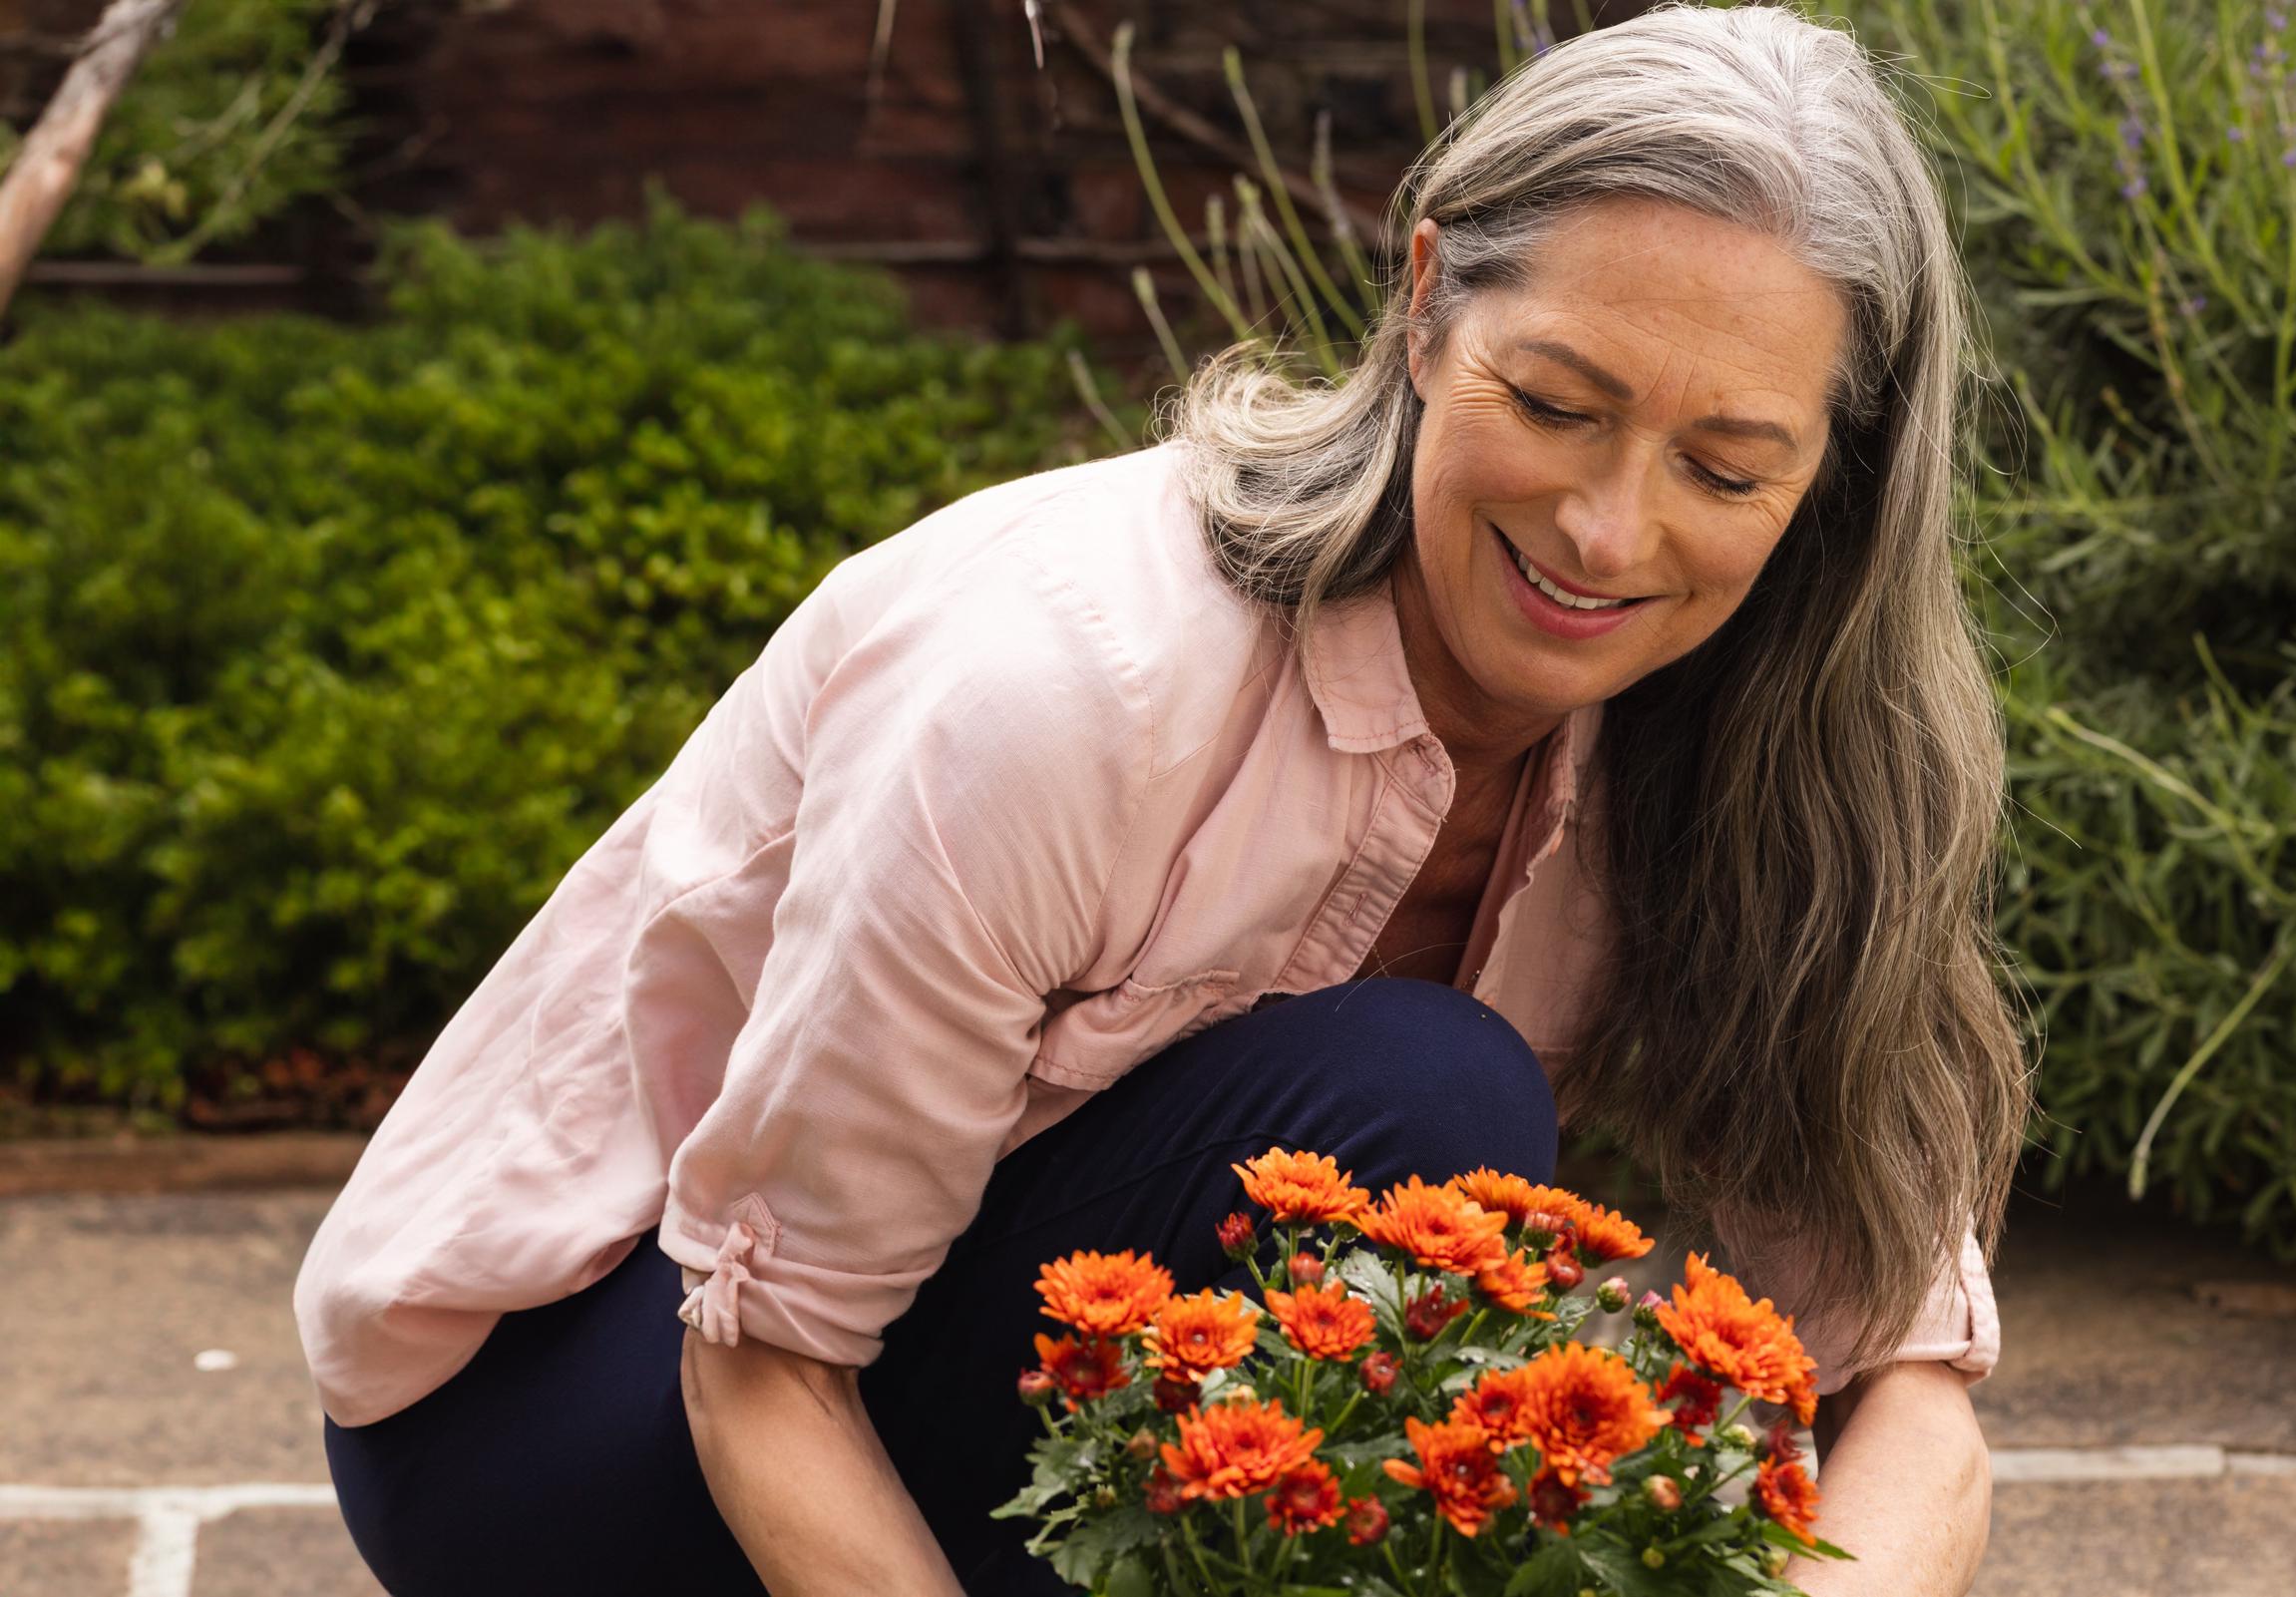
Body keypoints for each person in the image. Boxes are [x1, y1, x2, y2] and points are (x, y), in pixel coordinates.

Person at [295, 4, 2031, 1593]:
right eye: (1558, 404)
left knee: (1435, 1245)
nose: (1606, 531)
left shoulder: (1776, 744)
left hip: (993, 1375)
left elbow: (1909, 1377)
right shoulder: (1068, 684)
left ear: (1828, 475)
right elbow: (762, 1354)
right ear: (1427, 305)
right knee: (1423, 1109)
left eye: (1726, 467)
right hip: (585, 1407)